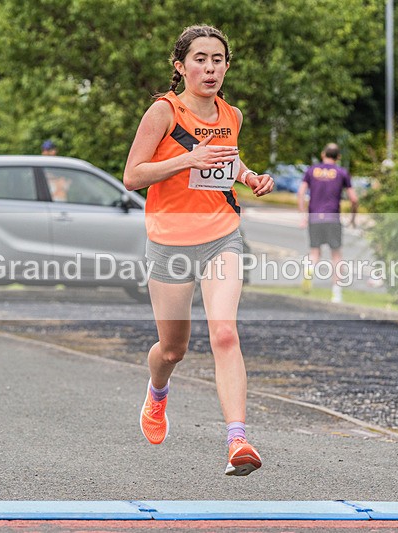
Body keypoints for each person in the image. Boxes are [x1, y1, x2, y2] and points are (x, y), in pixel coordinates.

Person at [123, 25, 274, 476]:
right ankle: (157, 392)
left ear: (227, 66)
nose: (210, 68)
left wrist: (249, 177)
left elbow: (227, 159)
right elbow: (133, 176)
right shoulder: (162, 113)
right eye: (200, 59)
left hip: (221, 234)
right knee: (173, 350)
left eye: (218, 60)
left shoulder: (233, 113)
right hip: (170, 240)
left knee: (224, 333)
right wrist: (185, 159)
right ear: (180, 66)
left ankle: (237, 441)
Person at [297, 143, 358, 303]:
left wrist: (303, 215)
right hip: (332, 218)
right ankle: (336, 293)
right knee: (336, 255)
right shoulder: (342, 172)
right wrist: (352, 217)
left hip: (314, 217)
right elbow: (353, 198)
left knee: (314, 252)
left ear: (323, 154)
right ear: (338, 157)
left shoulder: (312, 170)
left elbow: (301, 192)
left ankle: (309, 270)